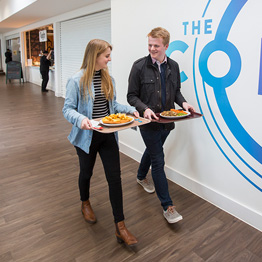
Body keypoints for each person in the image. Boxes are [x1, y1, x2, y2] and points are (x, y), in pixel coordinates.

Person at [63, 39, 139, 246]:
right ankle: (85, 202)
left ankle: (120, 226)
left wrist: (130, 110)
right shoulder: (76, 80)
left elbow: (112, 104)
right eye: (106, 56)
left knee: (115, 178)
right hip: (86, 136)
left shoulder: (108, 78)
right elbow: (67, 109)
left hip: (108, 135)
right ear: (94, 56)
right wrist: (82, 120)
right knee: (86, 173)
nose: (109, 59)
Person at [127, 27, 195, 224]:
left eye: (156, 45)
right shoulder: (139, 66)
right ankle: (168, 206)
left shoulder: (173, 66)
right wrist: (144, 108)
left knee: (153, 150)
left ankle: (140, 176)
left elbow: (177, 92)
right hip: (147, 122)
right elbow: (131, 96)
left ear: (166, 46)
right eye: (149, 44)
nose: (152, 49)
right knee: (158, 159)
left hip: (167, 123)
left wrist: (184, 104)